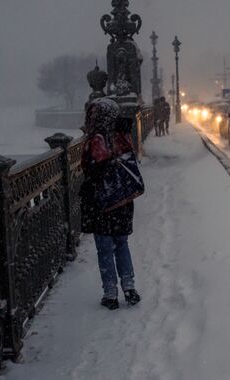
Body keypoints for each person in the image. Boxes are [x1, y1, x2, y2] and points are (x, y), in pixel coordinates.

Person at [80, 98, 141, 310]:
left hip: (103, 202)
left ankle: (110, 293)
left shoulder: (96, 139)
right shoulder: (122, 134)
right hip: (122, 201)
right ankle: (129, 287)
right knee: (122, 244)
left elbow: (93, 170)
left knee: (105, 249)